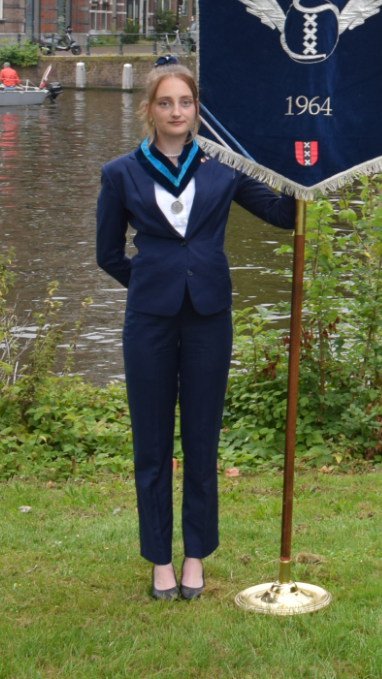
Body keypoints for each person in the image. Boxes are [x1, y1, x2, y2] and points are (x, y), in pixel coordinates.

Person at [95, 58, 295, 602]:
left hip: (209, 317)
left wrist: (306, 169)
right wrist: (152, 282)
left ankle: (194, 556)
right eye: (166, 103)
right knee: (152, 444)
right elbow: (108, 254)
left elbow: (281, 215)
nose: (176, 112)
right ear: (149, 110)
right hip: (149, 321)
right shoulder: (120, 173)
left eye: (185, 102)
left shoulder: (223, 166)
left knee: (202, 441)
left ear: (197, 109)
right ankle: (160, 559)